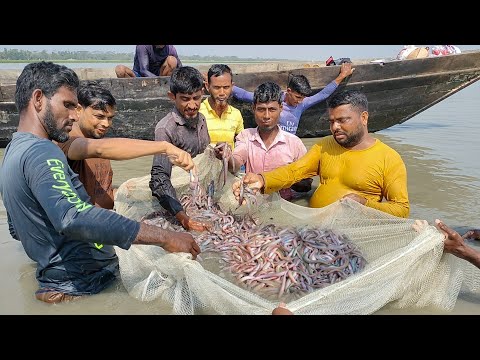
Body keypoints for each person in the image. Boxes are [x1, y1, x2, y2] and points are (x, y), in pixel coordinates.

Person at [0, 61, 200, 304]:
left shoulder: (13, 150)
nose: (74, 114)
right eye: (68, 105)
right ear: (39, 99)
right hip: (86, 285)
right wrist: (165, 237)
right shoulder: (43, 152)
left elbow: (16, 229)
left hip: (61, 282)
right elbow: (74, 217)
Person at [233, 89, 410, 218]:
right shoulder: (325, 146)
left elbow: (401, 210)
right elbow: (294, 171)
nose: (335, 127)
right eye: (331, 121)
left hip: (354, 231)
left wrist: (365, 204)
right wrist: (262, 180)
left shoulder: (389, 158)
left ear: (363, 118)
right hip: (315, 226)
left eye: (342, 120)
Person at [55, 81, 194, 210]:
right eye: (99, 116)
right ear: (79, 110)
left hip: (107, 218)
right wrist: (165, 147)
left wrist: (128, 191)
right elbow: (98, 149)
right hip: (84, 226)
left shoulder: (98, 137)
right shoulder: (67, 139)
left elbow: (103, 193)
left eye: (110, 118)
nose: (106, 124)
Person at [221, 81, 312, 200]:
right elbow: (237, 160)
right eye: (261, 109)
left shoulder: (294, 143)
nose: (266, 116)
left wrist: (281, 178)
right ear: (253, 108)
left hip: (284, 204)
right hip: (252, 202)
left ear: (281, 108)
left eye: (272, 109)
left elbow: (307, 184)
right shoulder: (246, 136)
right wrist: (227, 157)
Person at [149, 66, 211, 232]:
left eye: (196, 98)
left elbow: (204, 158)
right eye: (185, 99)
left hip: (200, 196)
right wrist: (183, 218)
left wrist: (216, 153)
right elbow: (159, 179)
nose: (192, 105)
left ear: (202, 93)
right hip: (176, 204)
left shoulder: (202, 119)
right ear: (172, 97)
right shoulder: (166, 129)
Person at [232, 62, 354, 135]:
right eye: (297, 97)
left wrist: (342, 76)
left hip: (290, 145)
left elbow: (323, 94)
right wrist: (226, 86)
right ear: (289, 91)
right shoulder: (273, 99)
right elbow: (244, 95)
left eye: (302, 98)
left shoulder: (302, 104)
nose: (299, 101)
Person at [199, 64, 244, 150]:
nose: (222, 93)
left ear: (232, 86)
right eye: (217, 88)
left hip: (229, 162)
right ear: (207, 87)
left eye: (226, 87)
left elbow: (241, 144)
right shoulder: (199, 111)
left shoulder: (236, 114)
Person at [115, 45, 182, 78]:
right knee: (120, 70)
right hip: (138, 76)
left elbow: (180, 67)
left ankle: (165, 86)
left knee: (172, 60)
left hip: (160, 75)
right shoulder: (143, 46)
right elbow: (143, 70)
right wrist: (156, 80)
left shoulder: (170, 48)